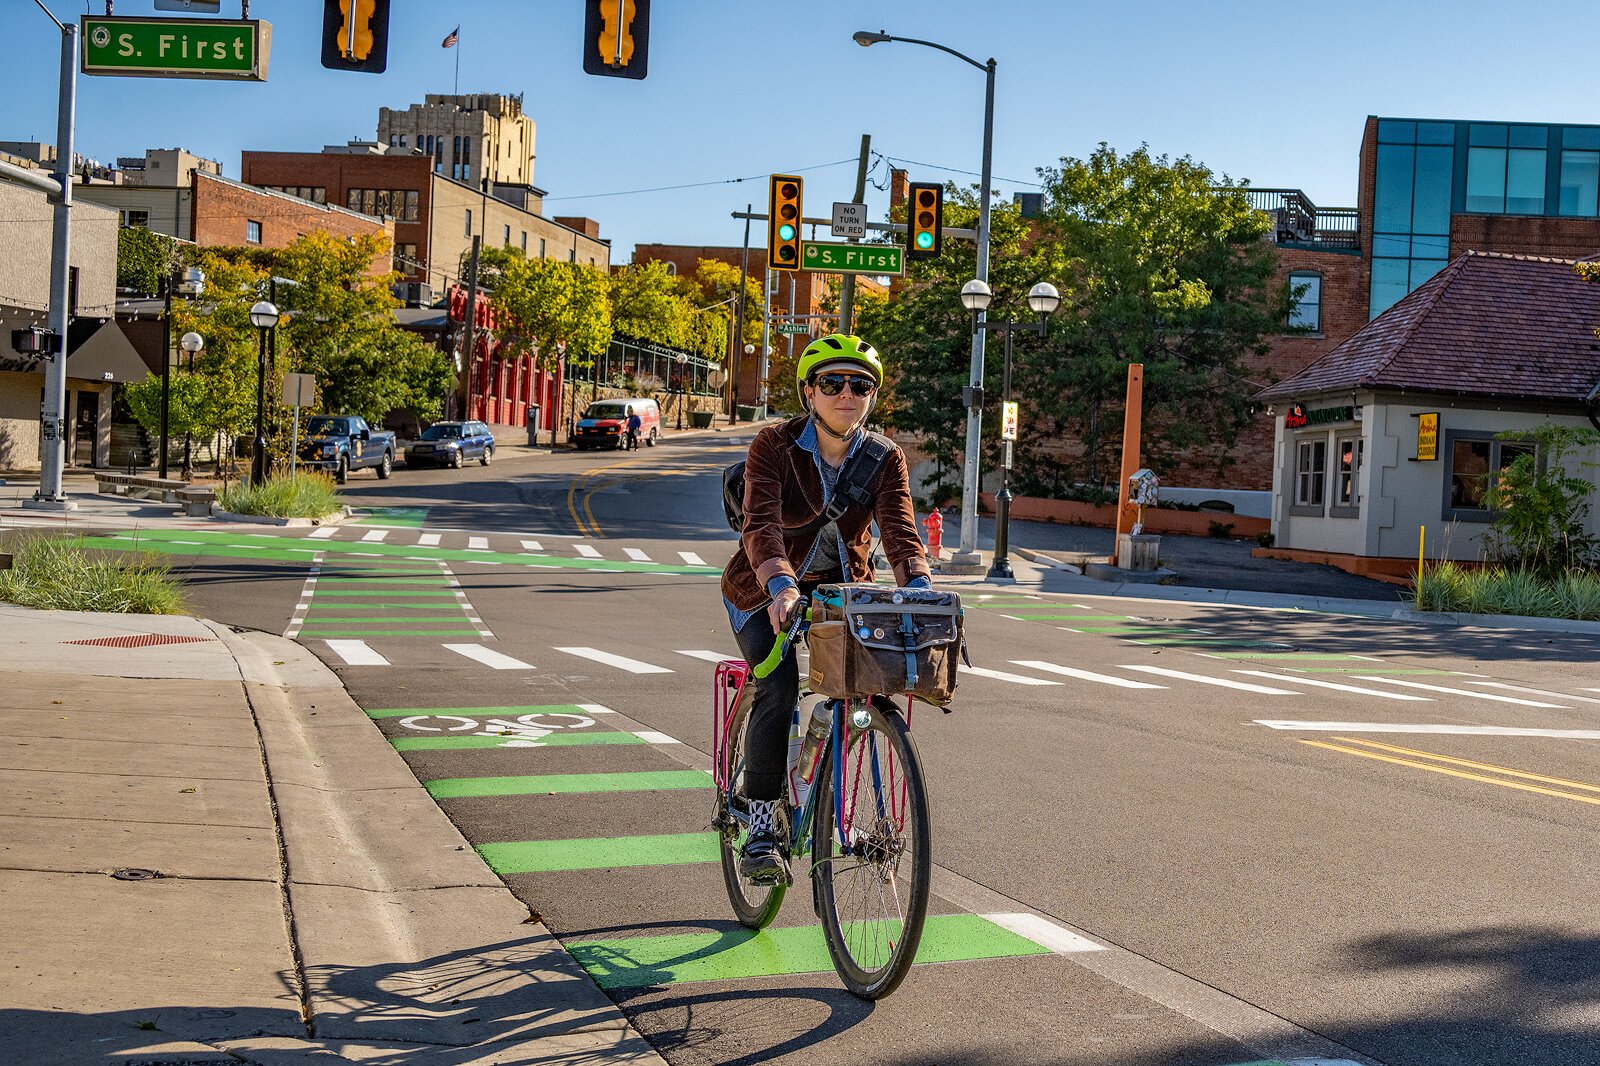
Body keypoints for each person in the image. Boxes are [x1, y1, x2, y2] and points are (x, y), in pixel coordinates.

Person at [720, 333, 933, 886]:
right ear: (809, 393)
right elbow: (760, 526)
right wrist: (781, 587)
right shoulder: (774, 446)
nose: (847, 393)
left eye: (860, 384)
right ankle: (763, 823)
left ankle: (827, 794)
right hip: (762, 589)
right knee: (780, 684)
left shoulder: (885, 458)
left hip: (843, 597)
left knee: (866, 684)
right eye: (832, 383)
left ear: (872, 396)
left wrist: (923, 587)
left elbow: (902, 535)